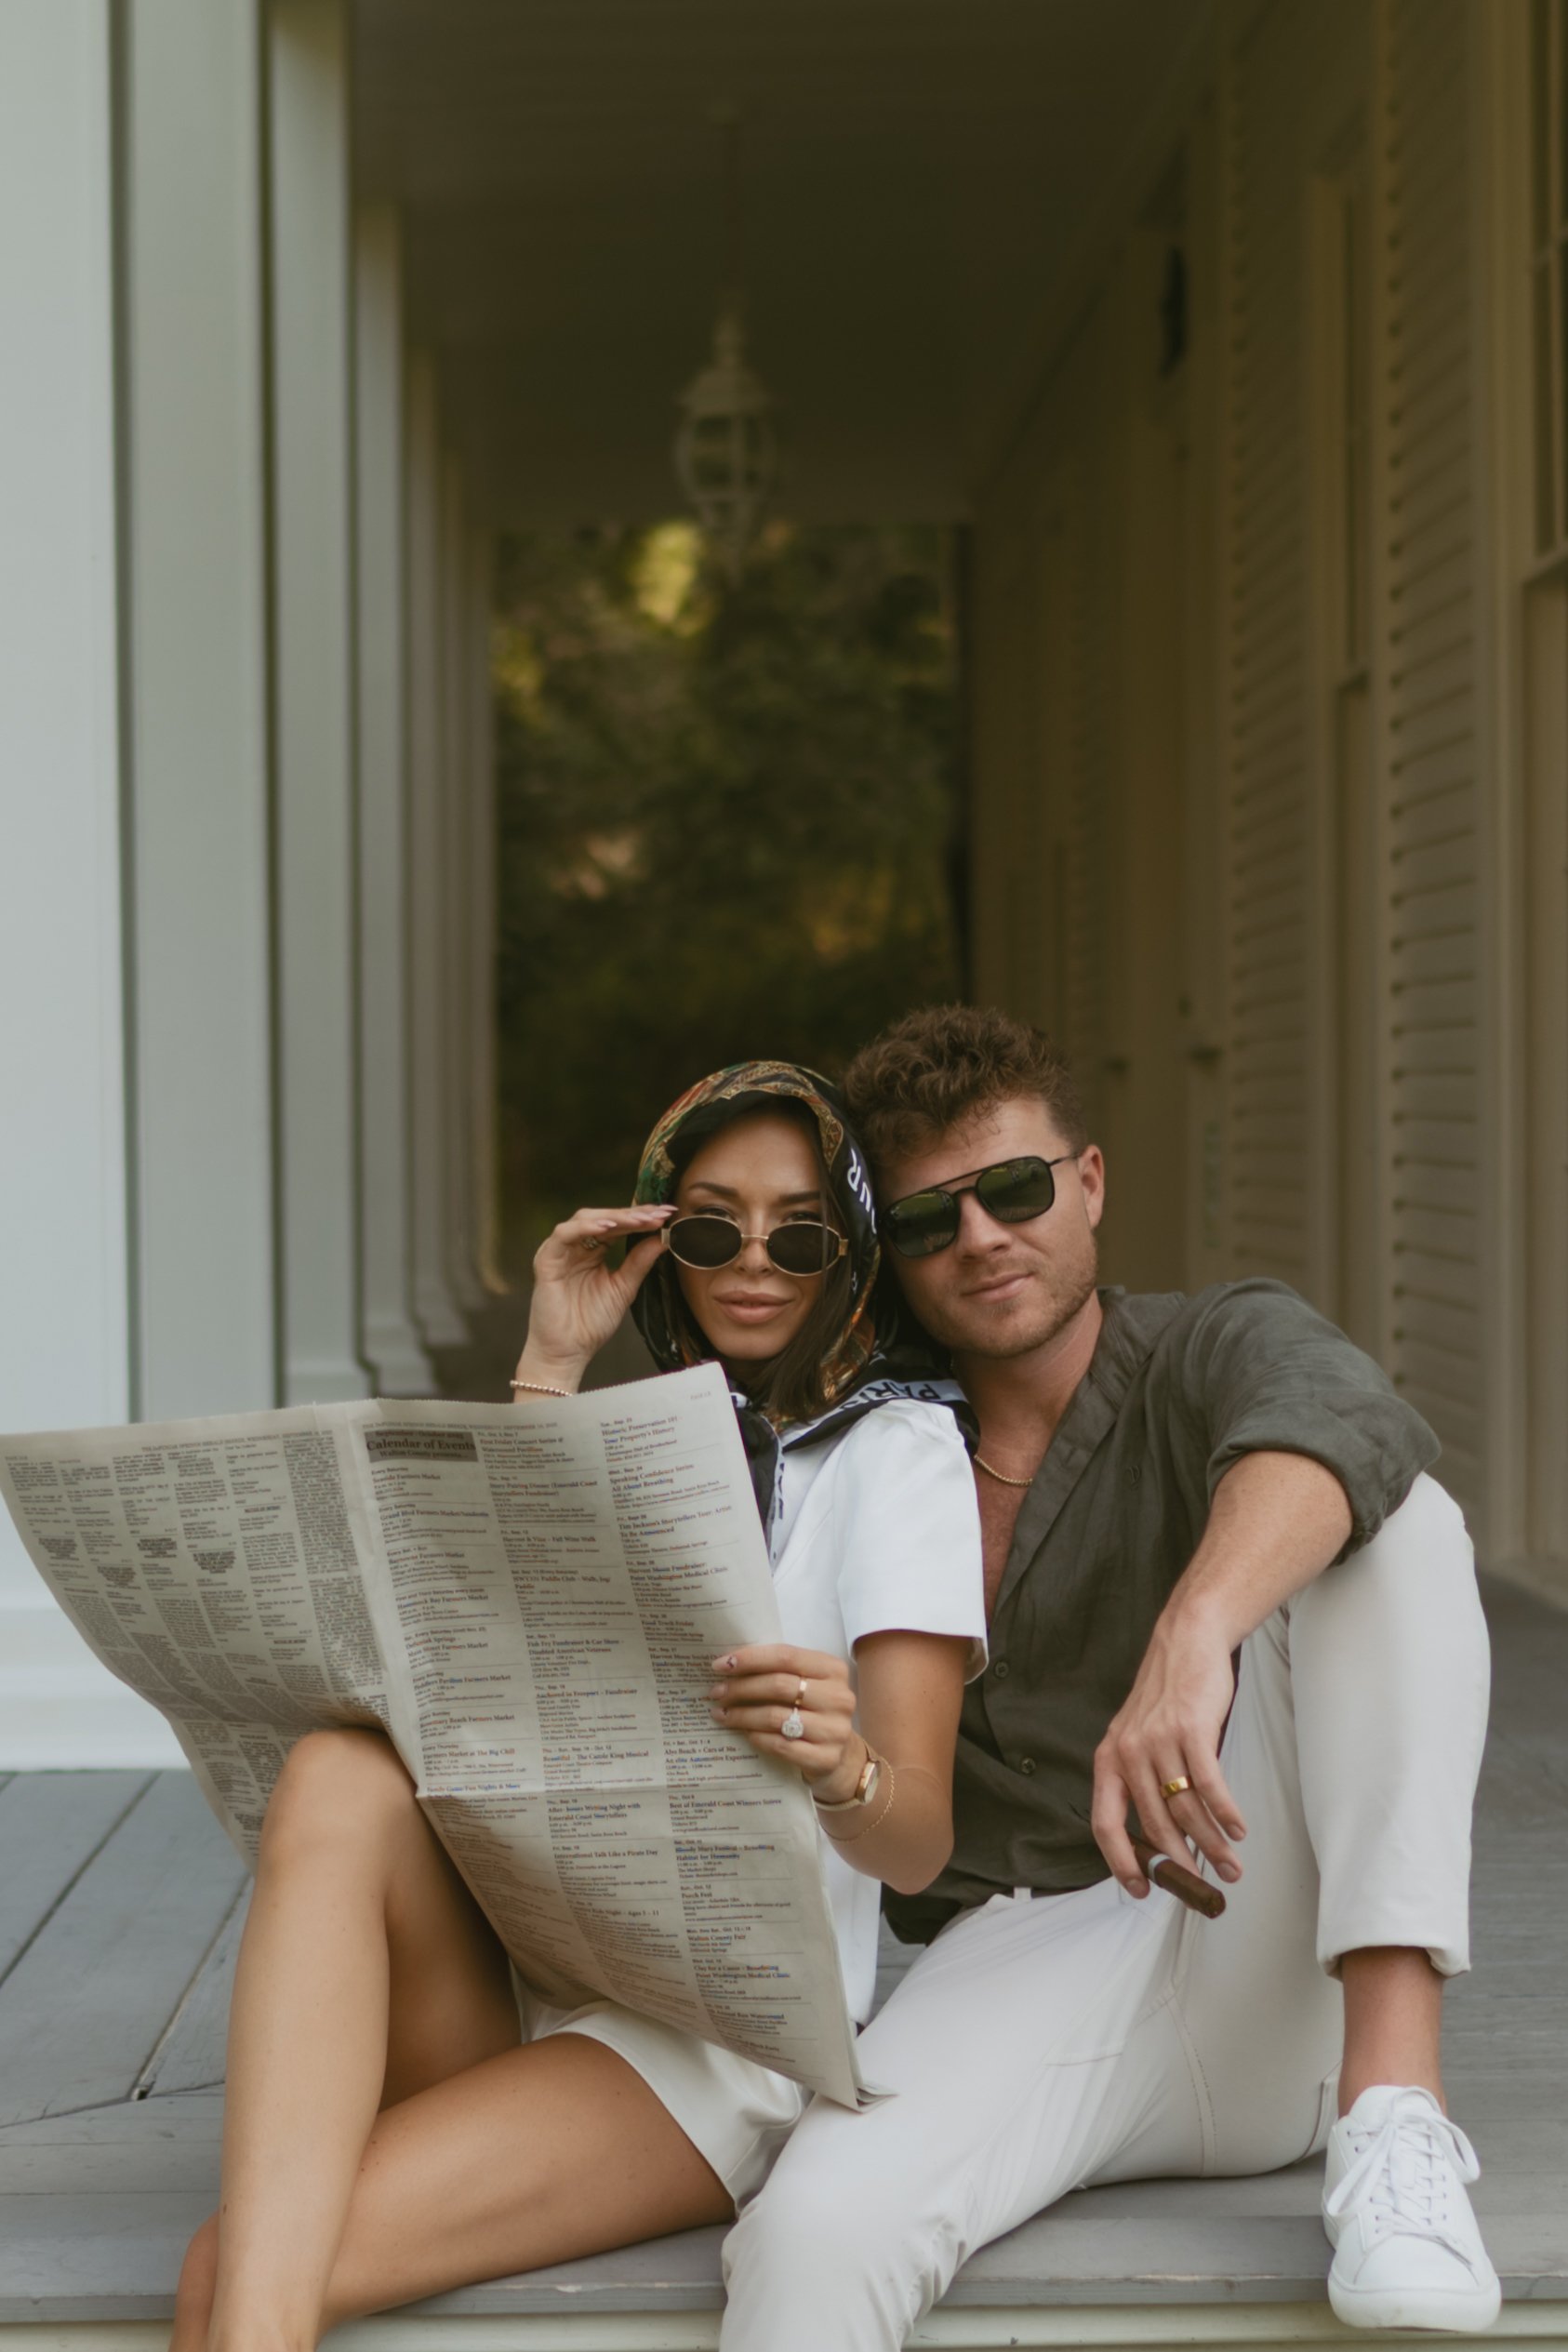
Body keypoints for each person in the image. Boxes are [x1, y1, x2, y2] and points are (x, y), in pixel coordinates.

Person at [170, 1060, 984, 2352]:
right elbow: (470, 1671)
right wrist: (551, 1358)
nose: (753, 1259)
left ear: (852, 1247)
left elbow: (919, 1836)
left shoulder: (897, 1458)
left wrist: (843, 1770)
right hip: (529, 1971)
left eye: (800, 1227)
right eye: (711, 1223)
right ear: (662, 1234)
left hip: (707, 2045)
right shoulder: (634, 1426)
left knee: (236, 2267)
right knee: (336, 1766)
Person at [721, 1004, 1499, 2345]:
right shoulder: (875, 1446)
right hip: (1020, 1955)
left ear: (1086, 1182)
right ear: (890, 1255)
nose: (979, 1236)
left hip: (1249, 1924)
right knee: (809, 2237)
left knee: (1393, 1518)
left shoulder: (1205, 1342)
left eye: (1013, 1188)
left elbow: (1346, 1420)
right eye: (925, 1220)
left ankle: (1396, 2118)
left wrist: (1188, 1638)